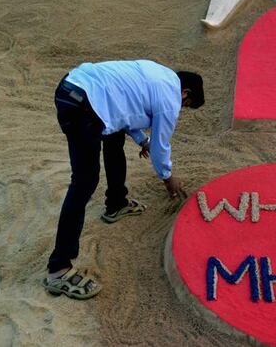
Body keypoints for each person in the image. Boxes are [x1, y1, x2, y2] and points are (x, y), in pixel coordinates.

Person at [42, 60, 204, 299]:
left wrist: (141, 140)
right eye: (187, 104)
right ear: (185, 92)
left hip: (74, 87)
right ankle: (58, 268)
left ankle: (116, 203)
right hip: (83, 106)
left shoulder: (157, 74)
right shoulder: (171, 97)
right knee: (85, 182)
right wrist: (168, 177)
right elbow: (161, 146)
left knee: (114, 136)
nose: (181, 108)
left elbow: (123, 111)